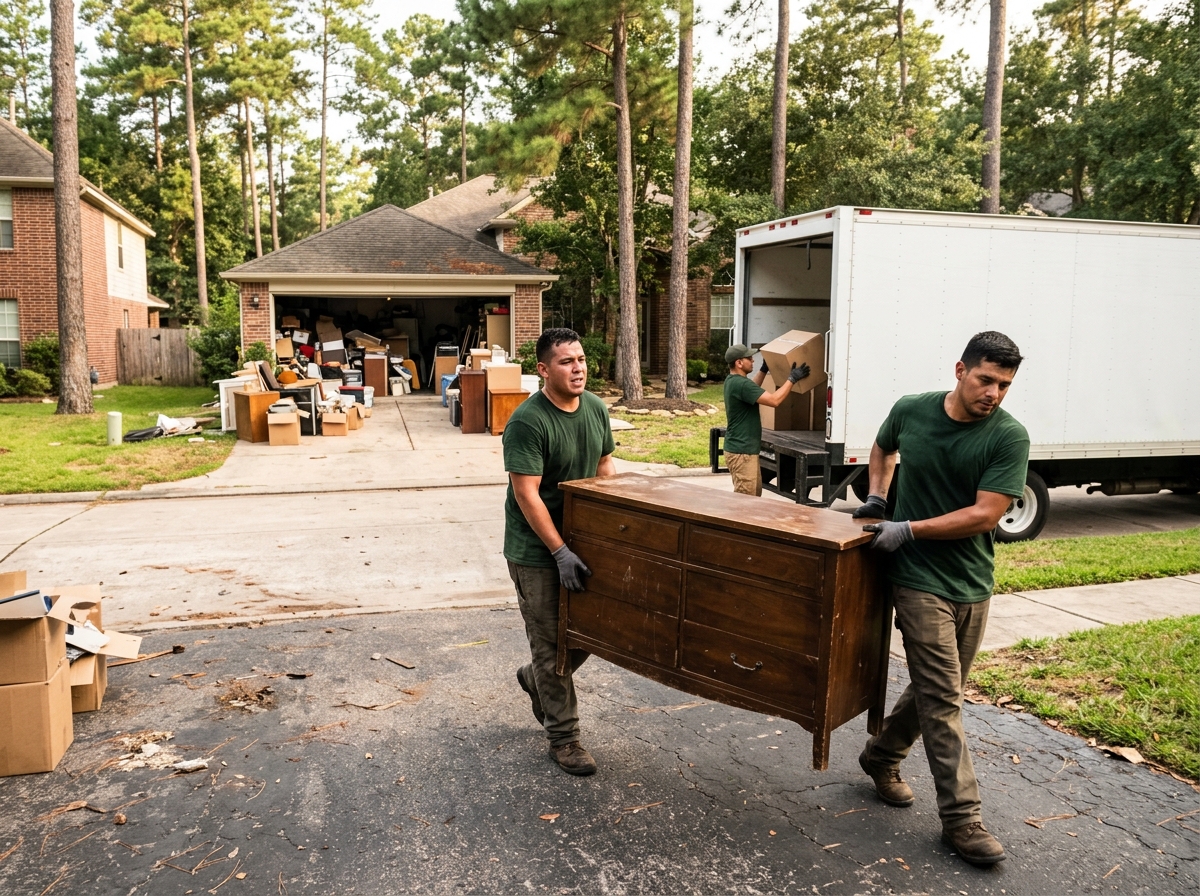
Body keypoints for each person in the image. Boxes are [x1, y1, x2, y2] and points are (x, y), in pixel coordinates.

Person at [853, 331, 1029, 866]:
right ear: (959, 370)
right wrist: (879, 493)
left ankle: (880, 755)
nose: (994, 393)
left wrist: (905, 527)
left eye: (1004, 385)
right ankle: (962, 819)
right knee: (945, 699)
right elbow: (883, 446)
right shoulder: (912, 410)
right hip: (917, 579)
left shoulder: (1008, 437)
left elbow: (985, 514)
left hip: (973, 582)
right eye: (985, 380)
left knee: (940, 689)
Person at [502, 327, 616, 776]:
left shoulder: (596, 408)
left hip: (583, 540)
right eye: (567, 361)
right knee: (551, 644)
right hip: (536, 549)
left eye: (582, 359)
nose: (579, 368)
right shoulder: (528, 421)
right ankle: (564, 738)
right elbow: (527, 494)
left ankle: (536, 678)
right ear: (543, 370)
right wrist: (559, 550)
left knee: (593, 632)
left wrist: (613, 529)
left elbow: (605, 467)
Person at [722, 344, 810, 495]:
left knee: (753, 496)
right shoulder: (741, 384)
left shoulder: (733, 381)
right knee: (745, 502)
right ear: (739, 363)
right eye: (749, 358)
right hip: (742, 452)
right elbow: (774, 400)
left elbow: (752, 389)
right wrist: (792, 379)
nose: (753, 361)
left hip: (744, 450)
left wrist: (763, 370)